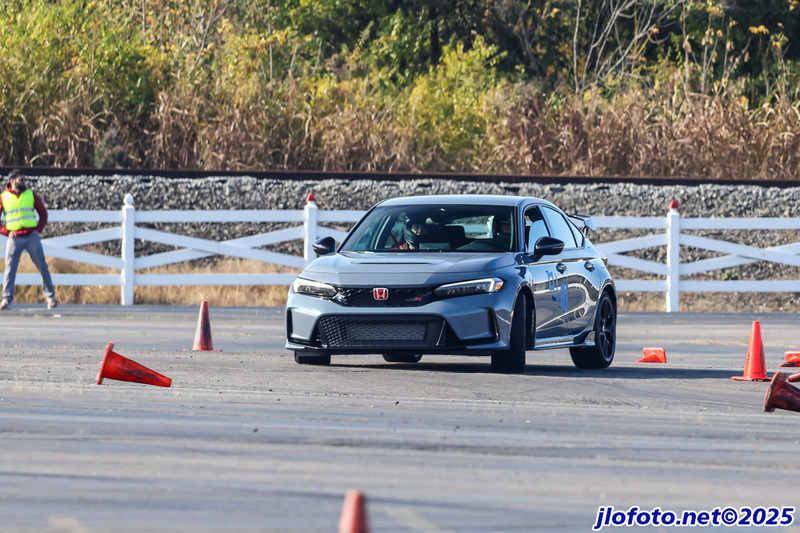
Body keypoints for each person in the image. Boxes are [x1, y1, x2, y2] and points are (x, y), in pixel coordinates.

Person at [0, 169, 58, 310]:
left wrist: (38, 229)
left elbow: (43, 213)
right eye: (21, 180)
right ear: (12, 181)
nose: (24, 182)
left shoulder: (30, 195)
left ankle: (50, 297)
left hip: (31, 237)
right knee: (10, 269)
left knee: (42, 266)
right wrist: (7, 232)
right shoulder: (4, 197)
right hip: (14, 239)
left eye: (24, 180)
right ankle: (6, 299)